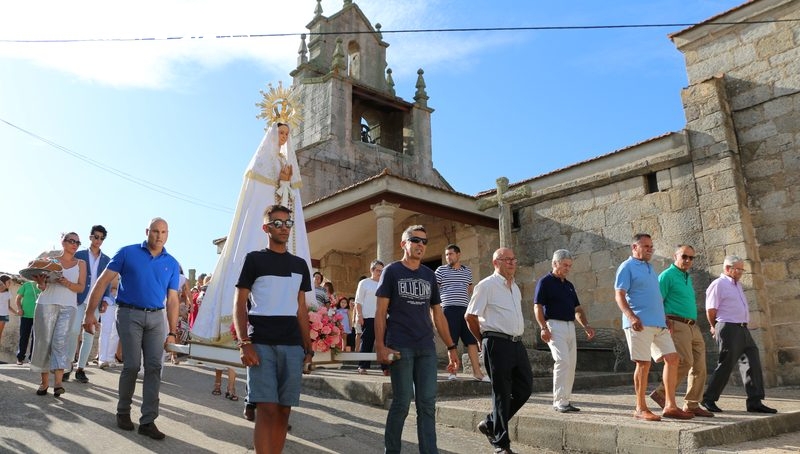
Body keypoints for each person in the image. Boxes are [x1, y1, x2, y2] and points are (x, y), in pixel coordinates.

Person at [192, 122, 315, 343]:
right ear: (272, 134)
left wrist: (286, 185)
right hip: (262, 233)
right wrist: (281, 184)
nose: (284, 137)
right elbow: (265, 205)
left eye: (287, 133)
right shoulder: (261, 164)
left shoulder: (287, 163)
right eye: (280, 133)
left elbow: (285, 207)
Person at [82, 217, 181, 440]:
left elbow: (173, 300)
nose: (159, 236)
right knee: (133, 365)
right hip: (129, 314)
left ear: (168, 234)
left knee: (155, 367)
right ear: (147, 231)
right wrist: (90, 313)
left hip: (157, 318)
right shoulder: (127, 252)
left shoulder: (172, 263)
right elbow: (102, 280)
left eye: (163, 232)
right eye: (155, 231)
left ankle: (148, 421)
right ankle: (123, 411)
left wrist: (172, 331)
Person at [234, 204, 313, 454]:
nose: (283, 227)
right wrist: (244, 342)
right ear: (266, 228)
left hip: (292, 345)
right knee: (266, 409)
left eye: (287, 223)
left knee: (283, 410)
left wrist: (308, 348)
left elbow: (301, 309)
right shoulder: (254, 259)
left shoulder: (300, 265)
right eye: (277, 223)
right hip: (261, 344)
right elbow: (239, 302)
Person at [375, 225, 459, 454]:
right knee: (402, 403)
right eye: (415, 240)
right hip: (400, 345)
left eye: (424, 241)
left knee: (427, 406)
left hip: (426, 347)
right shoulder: (391, 271)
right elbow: (381, 312)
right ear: (404, 243)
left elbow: (437, 314)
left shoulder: (429, 275)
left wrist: (451, 346)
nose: (421, 245)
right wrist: (380, 345)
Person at [614, 233, 693, 421]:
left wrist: (663, 317)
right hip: (639, 324)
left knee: (673, 359)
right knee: (643, 364)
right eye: (646, 246)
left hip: (659, 323)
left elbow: (654, 297)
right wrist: (631, 316)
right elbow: (619, 295)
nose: (650, 249)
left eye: (651, 246)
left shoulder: (650, 268)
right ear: (634, 247)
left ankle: (670, 406)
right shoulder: (626, 267)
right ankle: (640, 408)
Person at [466, 248, 532, 454]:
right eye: (507, 260)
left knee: (524, 389)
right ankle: (501, 444)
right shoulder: (486, 286)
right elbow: (470, 316)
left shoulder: (515, 287)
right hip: (496, 343)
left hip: (516, 344)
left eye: (514, 259)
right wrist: (482, 340)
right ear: (496, 263)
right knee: (502, 394)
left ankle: (490, 423)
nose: (512, 263)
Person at [701, 255, 777, 414]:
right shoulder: (718, 284)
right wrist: (714, 327)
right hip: (728, 327)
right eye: (738, 269)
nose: (741, 272)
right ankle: (708, 399)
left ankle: (755, 401)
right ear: (727, 268)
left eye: (742, 269)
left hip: (742, 328)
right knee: (726, 363)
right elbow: (711, 310)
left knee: (752, 361)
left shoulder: (737, 285)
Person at [648, 245, 714, 417]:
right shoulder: (667, 276)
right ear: (675, 256)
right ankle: (662, 393)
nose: (688, 260)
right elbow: (656, 300)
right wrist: (663, 321)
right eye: (684, 256)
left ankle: (692, 404)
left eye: (691, 258)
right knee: (684, 361)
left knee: (700, 366)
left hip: (693, 326)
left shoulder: (687, 277)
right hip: (676, 324)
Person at [534, 249, 595, 413]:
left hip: (570, 327)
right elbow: (537, 306)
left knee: (571, 364)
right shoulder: (544, 282)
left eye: (570, 265)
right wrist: (543, 327)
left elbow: (577, 308)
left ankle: (566, 401)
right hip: (553, 325)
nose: (568, 268)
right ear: (555, 263)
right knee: (562, 361)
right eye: (565, 265)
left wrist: (586, 325)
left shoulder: (569, 285)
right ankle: (558, 401)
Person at [30, 232, 87, 398]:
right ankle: (44, 382)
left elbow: (81, 287)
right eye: (71, 241)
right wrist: (41, 283)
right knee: (44, 342)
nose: (75, 244)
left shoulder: (81, 263)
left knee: (60, 342)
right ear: (63, 242)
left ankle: (59, 383)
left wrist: (67, 283)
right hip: (46, 303)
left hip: (69, 306)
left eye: (77, 242)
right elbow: (42, 286)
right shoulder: (51, 261)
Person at [434, 244, 488, 382]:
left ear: (458, 255)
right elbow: (434, 289)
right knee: (451, 342)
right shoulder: (440, 270)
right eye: (446, 255)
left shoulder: (467, 271)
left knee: (471, 341)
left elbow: (469, 288)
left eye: (450, 254)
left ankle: (477, 373)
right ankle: (453, 372)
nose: (448, 257)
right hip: (448, 309)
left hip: (465, 310)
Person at [73, 225, 113, 383]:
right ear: (90, 237)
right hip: (78, 298)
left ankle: (81, 368)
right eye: (96, 237)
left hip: (95, 302)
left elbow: (108, 282)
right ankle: (67, 365)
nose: (98, 241)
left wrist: (105, 299)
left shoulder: (106, 260)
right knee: (72, 332)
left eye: (102, 238)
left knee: (89, 334)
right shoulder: (79, 255)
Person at [354, 260, 386, 375]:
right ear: (371, 270)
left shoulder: (384, 283)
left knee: (383, 342)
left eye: (382, 271)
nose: (380, 273)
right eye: (378, 270)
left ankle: (385, 367)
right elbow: (358, 301)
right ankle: (362, 366)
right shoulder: (364, 283)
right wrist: (359, 315)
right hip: (368, 317)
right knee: (367, 342)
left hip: (383, 317)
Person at [13, 278, 42, 365]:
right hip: (25, 315)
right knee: (24, 336)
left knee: (36, 338)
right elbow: (18, 299)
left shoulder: (44, 285)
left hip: (39, 316)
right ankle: (20, 358)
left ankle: (32, 358)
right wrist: (19, 309)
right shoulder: (26, 285)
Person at [0, 275, 11, 345]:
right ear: (3, 282)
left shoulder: (8, 293)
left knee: (0, 333)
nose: (10, 284)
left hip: (5, 315)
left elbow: (8, 306)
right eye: (9, 282)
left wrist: (17, 312)